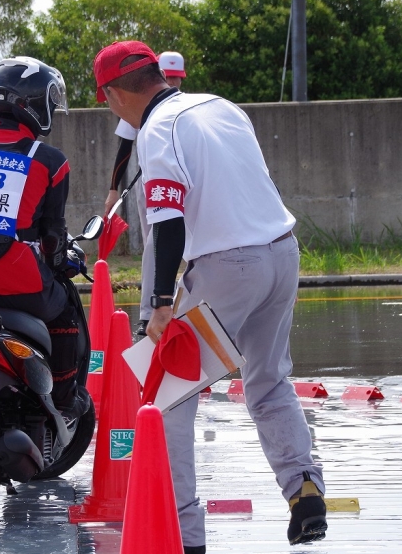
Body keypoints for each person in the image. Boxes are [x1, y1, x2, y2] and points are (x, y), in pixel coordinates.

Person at [92, 41, 327, 550]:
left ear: (114, 95)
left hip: (228, 268)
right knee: (268, 381)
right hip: (283, 253)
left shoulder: (157, 129)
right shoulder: (222, 106)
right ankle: (304, 489)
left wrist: (158, 306)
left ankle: (184, 533)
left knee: (165, 396)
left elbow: (167, 222)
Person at [0, 56, 90, 421]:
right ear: (34, 103)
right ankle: (64, 399)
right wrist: (63, 263)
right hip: (20, 285)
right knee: (66, 311)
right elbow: (52, 238)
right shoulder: (50, 161)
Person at [102, 51, 187, 336]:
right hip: (152, 181)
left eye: (176, 77)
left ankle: (169, 306)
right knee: (156, 241)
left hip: (183, 182)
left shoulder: (181, 107)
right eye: (168, 75)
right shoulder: (138, 107)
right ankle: (150, 311)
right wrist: (113, 189)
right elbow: (123, 150)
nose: (172, 81)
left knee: (178, 239)